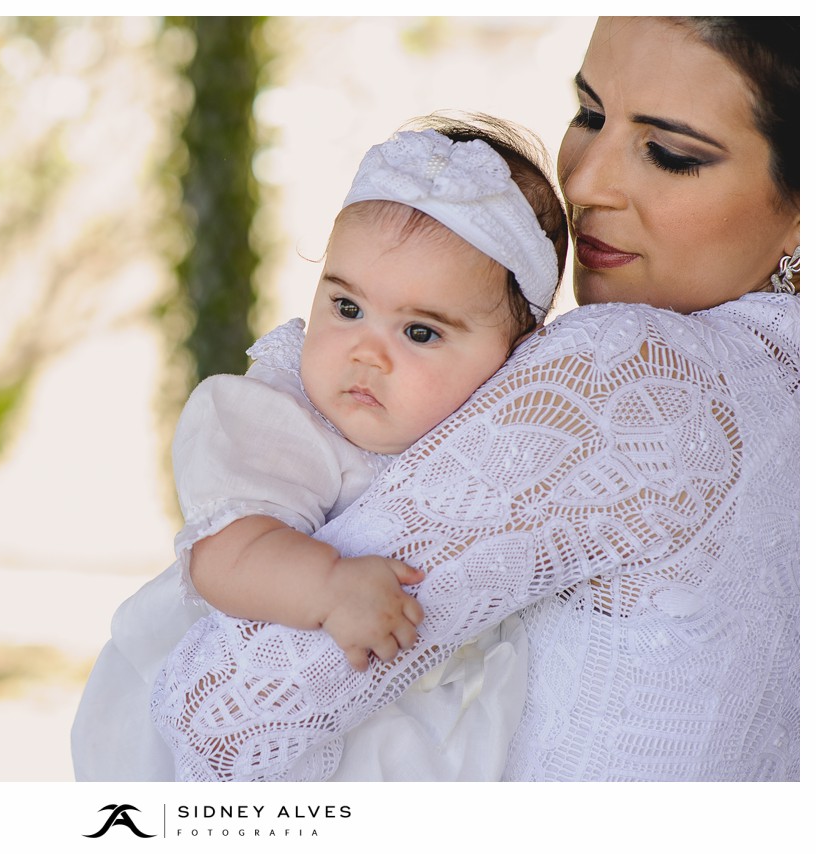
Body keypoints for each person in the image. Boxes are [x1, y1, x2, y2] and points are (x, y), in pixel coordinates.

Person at [150, 16, 799, 782]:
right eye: (588, 114)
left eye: (669, 153)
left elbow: (222, 720)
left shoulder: (628, 377)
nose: (584, 183)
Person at [73, 118, 568, 781]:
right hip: (233, 721)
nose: (366, 350)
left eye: (420, 332)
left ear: (516, 358)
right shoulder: (279, 417)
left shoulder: (492, 442)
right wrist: (329, 586)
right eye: (347, 307)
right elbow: (226, 555)